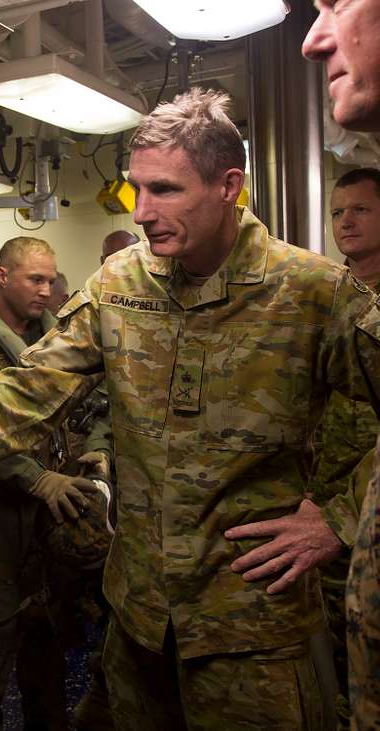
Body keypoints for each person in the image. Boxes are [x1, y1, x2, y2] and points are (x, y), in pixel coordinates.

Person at [0, 88, 380, 730]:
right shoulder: (120, 283)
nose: (141, 212)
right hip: (137, 619)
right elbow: (28, 388)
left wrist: (338, 517)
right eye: (136, 189)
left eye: (165, 190)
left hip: (251, 630)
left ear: (229, 186)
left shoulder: (311, 292)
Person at [0, 236, 111, 730]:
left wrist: (97, 450)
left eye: (51, 280)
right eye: (35, 279)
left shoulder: (56, 340)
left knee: (47, 671)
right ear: (3, 276)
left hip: (48, 537)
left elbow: (98, 401)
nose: (46, 289)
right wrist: (37, 480)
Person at [304, 8, 380, 727]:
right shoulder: (332, 300)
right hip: (335, 527)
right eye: (338, 211)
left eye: (361, 209)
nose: (346, 222)